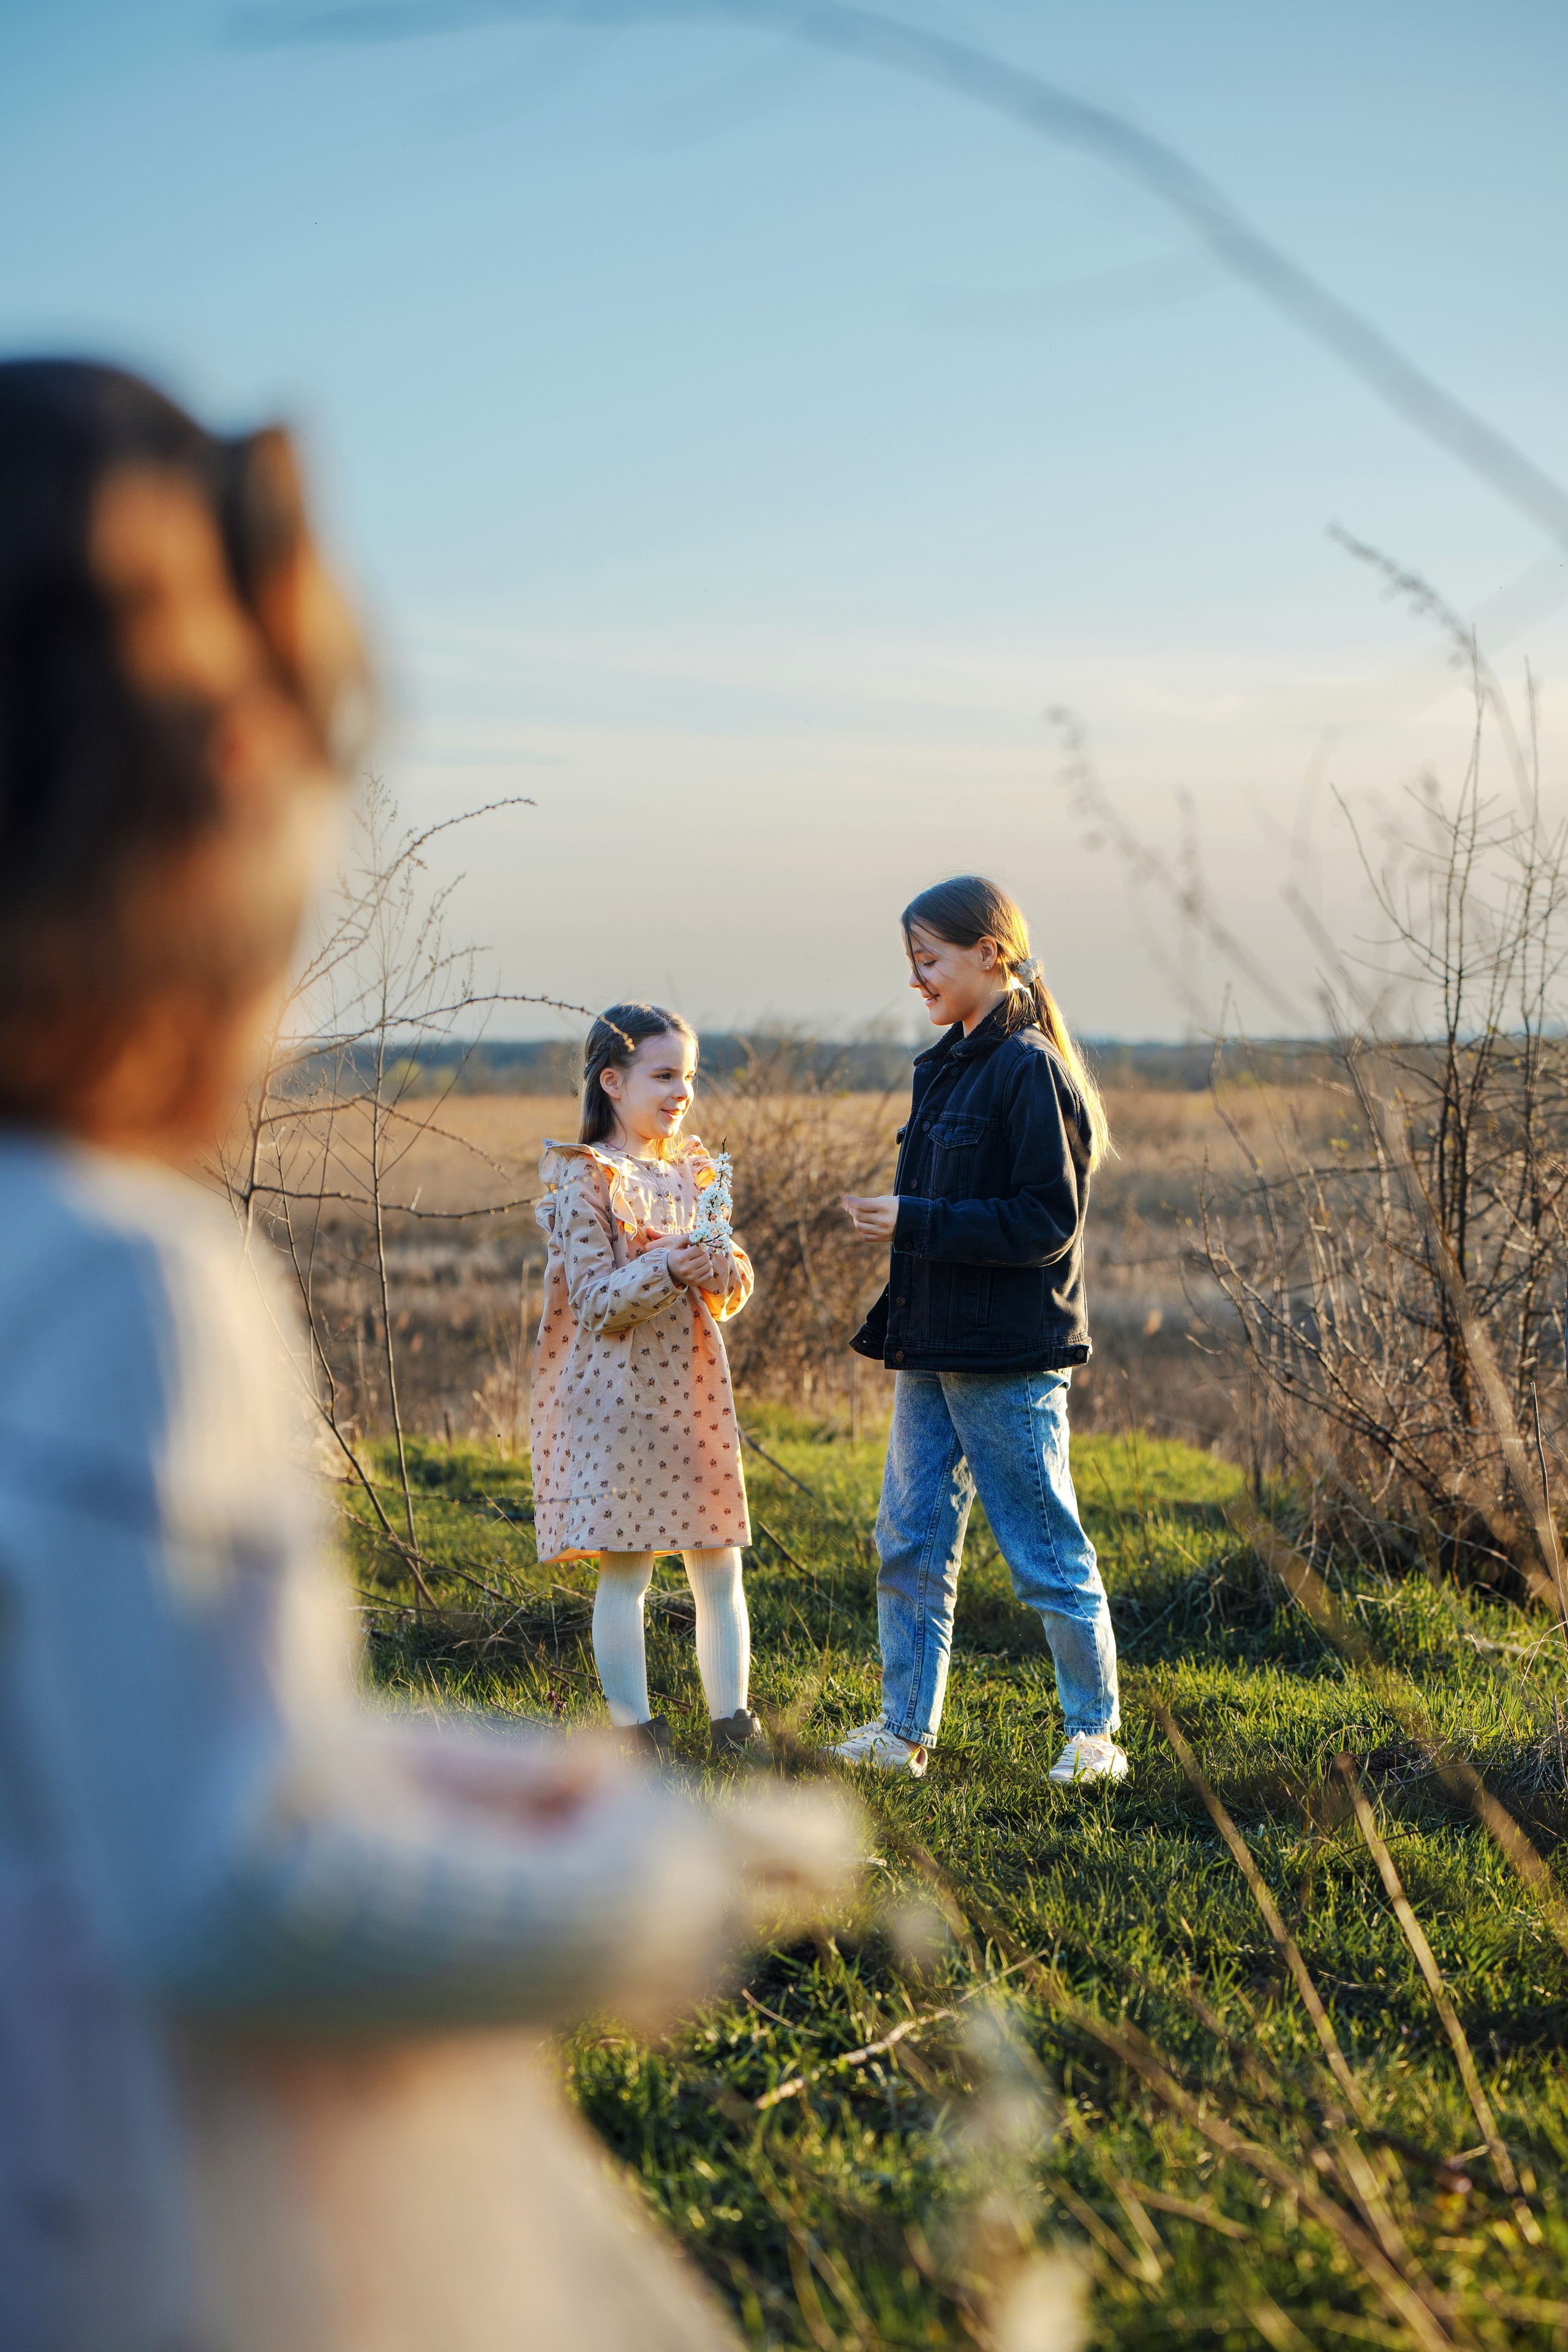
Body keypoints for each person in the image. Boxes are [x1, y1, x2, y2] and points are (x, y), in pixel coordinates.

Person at [0, 359, 853, 2352]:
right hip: (124, 2213)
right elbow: (214, 1897)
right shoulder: (129, 1281)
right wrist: (655, 1905)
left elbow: (96, 1753)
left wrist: (463, 1778)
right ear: (216, 812)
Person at [832, 875, 1126, 1787]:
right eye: (911, 962)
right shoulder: (949, 1064)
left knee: (1045, 1554)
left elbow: (1046, 1222)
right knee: (910, 1543)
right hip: (931, 1350)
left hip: (1006, 1357)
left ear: (989, 955)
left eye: (930, 960)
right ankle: (903, 1733)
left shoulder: (1030, 1067)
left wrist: (913, 1216)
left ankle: (1094, 1739)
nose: (917, 979)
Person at [531, 1006, 763, 1762]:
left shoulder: (693, 1171)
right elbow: (596, 1302)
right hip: (618, 1396)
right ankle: (634, 1734)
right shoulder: (583, 1177)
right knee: (627, 1566)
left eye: (689, 1077)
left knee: (716, 1556)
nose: (681, 1093)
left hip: (695, 1390)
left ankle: (733, 1724)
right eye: (664, 1075)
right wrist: (665, 1266)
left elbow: (732, 1289)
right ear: (612, 1080)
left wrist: (713, 1264)